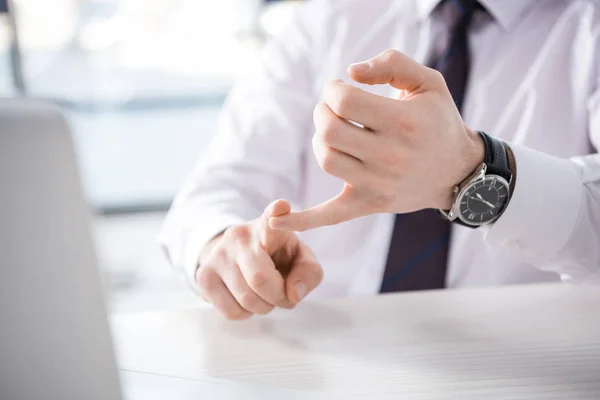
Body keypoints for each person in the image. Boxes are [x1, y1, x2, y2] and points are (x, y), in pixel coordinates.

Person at [160, 0, 600, 320]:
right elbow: (216, 189)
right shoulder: (325, 18)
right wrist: (222, 242)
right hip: (321, 361)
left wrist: (471, 170)